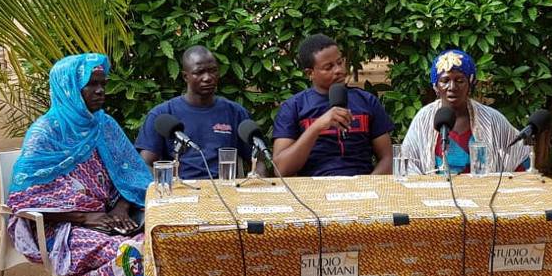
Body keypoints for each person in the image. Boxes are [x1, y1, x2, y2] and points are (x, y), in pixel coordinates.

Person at [7, 53, 151, 276]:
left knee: (157, 245)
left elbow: (132, 175)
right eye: (91, 85)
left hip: (110, 219)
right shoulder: (45, 133)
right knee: (131, 255)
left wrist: (121, 209)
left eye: (103, 84)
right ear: (70, 88)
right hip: (61, 229)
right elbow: (24, 199)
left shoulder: (104, 125)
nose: (100, 91)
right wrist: (86, 218)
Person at [272, 34, 394, 176]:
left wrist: (367, 186)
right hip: (312, 191)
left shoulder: (367, 101)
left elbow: (388, 158)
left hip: (363, 187)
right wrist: (316, 128)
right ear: (310, 73)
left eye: (340, 62)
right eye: (328, 67)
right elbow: (281, 169)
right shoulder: (293, 107)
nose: (338, 70)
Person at [401, 49, 530, 175]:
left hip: (483, 194)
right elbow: (408, 165)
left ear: (470, 84)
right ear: (436, 86)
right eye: (445, 81)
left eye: (460, 81)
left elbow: (520, 156)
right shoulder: (423, 119)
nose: (452, 87)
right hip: (433, 194)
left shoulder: (491, 119)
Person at [135, 46, 253, 179]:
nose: (208, 78)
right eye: (199, 72)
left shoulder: (235, 112)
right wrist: (168, 187)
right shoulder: (162, 115)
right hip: (181, 192)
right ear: (185, 76)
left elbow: (258, 160)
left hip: (225, 192)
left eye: (213, 71)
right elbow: (145, 164)